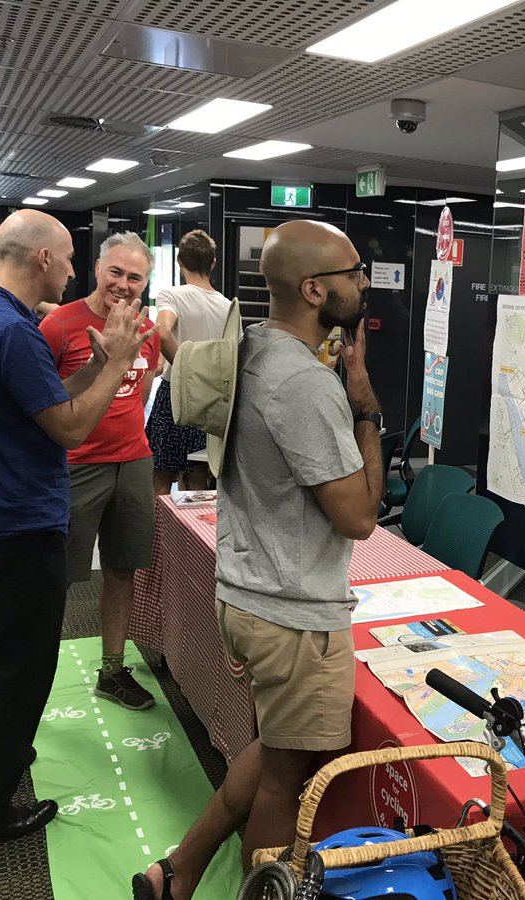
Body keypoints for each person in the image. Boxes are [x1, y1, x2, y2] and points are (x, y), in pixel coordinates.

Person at [132, 220, 384, 900]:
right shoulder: (306, 384)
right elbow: (359, 516)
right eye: (353, 273)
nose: (363, 283)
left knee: (276, 751)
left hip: (247, 592)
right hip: (292, 613)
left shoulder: (250, 350)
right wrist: (365, 409)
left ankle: (177, 872)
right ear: (313, 288)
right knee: (285, 780)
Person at [0, 209, 156, 853]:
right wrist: (117, 360)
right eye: (68, 257)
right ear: (41, 260)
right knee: (22, 666)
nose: (71, 268)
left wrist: (96, 366)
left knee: (3, 647)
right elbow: (67, 428)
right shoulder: (14, 331)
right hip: (17, 517)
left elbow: (49, 399)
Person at [40, 232, 161, 711]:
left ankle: (112, 672)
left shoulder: (145, 329)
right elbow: (43, 400)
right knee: (57, 577)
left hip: (133, 462)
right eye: (116, 272)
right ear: (96, 269)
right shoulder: (61, 325)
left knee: (122, 570)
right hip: (74, 467)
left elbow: (142, 389)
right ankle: (33, 674)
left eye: (135, 277)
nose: (124, 285)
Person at [146, 229, 232, 495]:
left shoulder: (172, 295)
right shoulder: (228, 306)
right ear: (213, 263)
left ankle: (158, 537)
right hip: (210, 399)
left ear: (179, 261)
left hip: (174, 394)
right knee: (197, 478)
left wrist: (185, 371)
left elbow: (162, 330)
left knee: (161, 476)